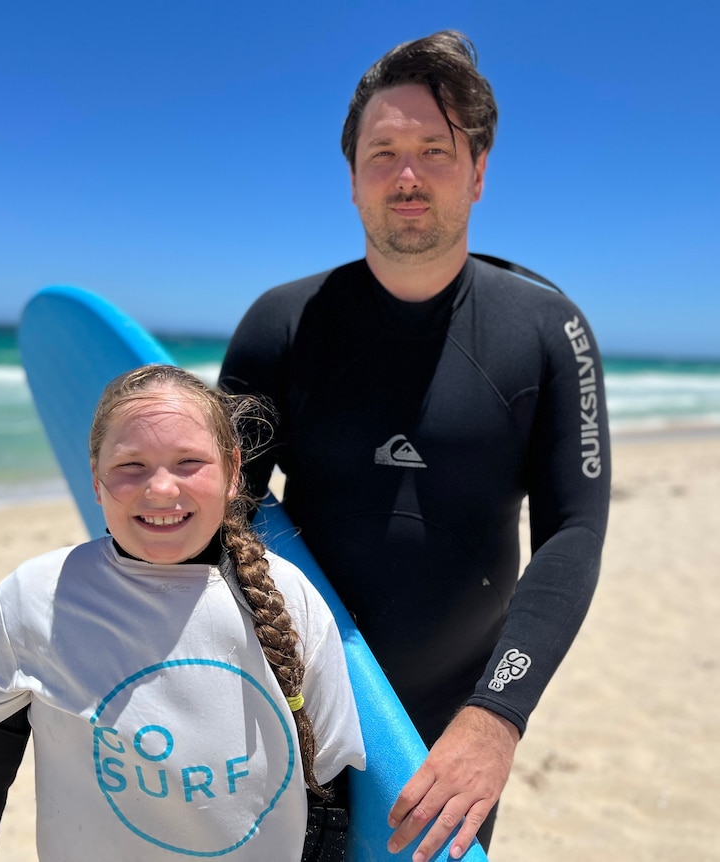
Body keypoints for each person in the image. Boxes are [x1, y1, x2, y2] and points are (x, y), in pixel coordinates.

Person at [219, 30, 610, 861]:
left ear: (478, 174)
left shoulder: (550, 331)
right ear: (353, 178)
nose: (406, 175)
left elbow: (574, 534)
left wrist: (498, 717)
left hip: (451, 728)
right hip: (291, 701)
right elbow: (227, 515)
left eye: (435, 150)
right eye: (382, 152)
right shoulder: (279, 326)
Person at [0, 364, 365, 861]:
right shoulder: (36, 599)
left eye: (189, 462)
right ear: (95, 480)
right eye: (131, 465)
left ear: (233, 474)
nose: (160, 489)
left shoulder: (292, 598)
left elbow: (331, 802)